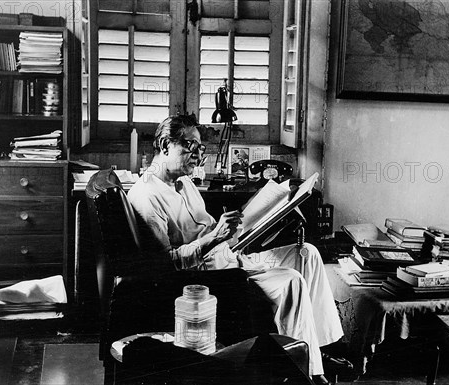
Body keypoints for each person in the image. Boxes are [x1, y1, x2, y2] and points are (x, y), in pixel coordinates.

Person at [127, 114, 350, 384]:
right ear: (164, 145)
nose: (198, 155)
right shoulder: (147, 196)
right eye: (191, 146)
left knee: (308, 254)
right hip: (213, 277)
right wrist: (216, 237)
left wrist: (258, 220)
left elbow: (211, 231)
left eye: (200, 148)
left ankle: (317, 351)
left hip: (229, 257)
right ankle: (306, 374)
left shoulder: (183, 182)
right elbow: (166, 265)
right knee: (292, 281)